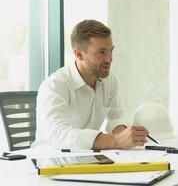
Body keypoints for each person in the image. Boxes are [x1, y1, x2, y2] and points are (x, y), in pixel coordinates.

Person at [32, 19, 149, 150]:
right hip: (50, 161)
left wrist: (124, 135)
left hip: (87, 158)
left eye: (111, 51)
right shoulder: (55, 86)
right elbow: (58, 134)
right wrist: (115, 141)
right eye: (101, 52)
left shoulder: (109, 81)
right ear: (78, 53)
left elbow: (116, 117)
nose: (110, 59)